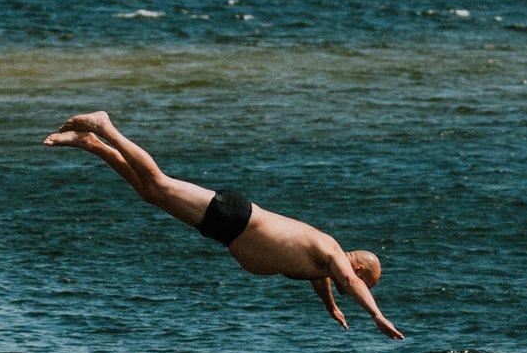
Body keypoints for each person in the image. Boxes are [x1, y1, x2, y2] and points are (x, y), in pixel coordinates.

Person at [43, 111, 404, 339]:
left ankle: (90, 144)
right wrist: (377, 316)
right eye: (363, 282)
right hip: (236, 216)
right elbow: (349, 280)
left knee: (150, 194)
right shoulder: (333, 254)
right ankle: (105, 127)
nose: (353, 288)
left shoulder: (324, 262)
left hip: (227, 231)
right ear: (358, 267)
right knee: (159, 182)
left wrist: (331, 308)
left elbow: (322, 278)